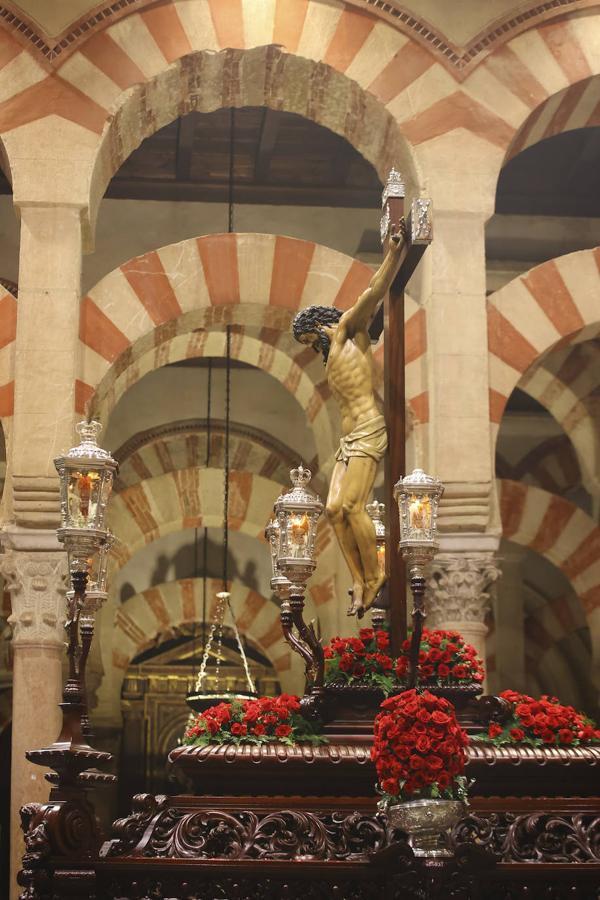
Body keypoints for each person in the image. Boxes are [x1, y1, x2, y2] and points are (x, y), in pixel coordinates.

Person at [292, 227, 407, 616]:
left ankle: (376, 576)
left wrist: (394, 253)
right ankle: (358, 577)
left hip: (368, 430)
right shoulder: (332, 356)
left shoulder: (348, 332)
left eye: (309, 341)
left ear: (318, 327)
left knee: (354, 506)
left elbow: (373, 291)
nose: (311, 349)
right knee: (332, 510)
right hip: (347, 441)